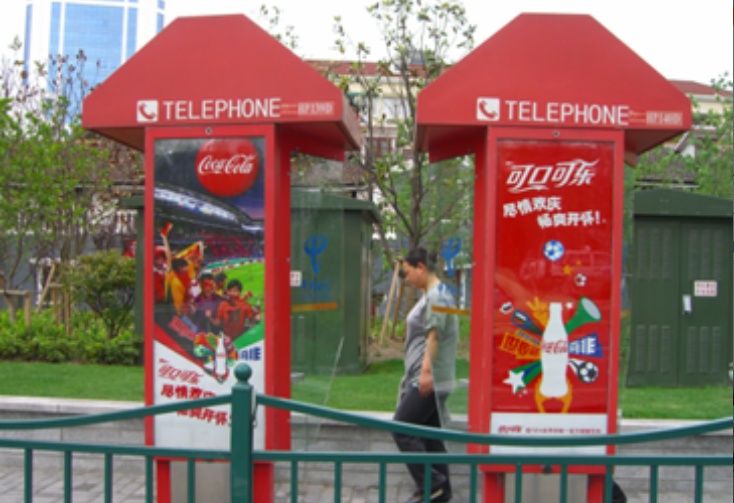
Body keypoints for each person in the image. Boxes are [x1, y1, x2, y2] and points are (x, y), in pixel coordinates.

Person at [393, 248, 459, 503]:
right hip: (431, 377)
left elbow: (434, 336)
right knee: (431, 438)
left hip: (430, 379)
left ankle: (433, 485)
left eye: (408, 271)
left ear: (421, 267)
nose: (407, 278)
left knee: (401, 428)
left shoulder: (437, 295)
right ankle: (442, 493)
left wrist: (425, 373)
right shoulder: (433, 294)